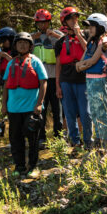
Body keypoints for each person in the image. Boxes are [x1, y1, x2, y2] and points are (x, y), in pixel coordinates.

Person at [3, 32, 48, 177]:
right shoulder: (10, 63)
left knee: (33, 139)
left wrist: (39, 104)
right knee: (15, 139)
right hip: (13, 108)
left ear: (30, 46)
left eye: (25, 42)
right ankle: (19, 166)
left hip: (31, 108)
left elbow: (43, 82)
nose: (22, 45)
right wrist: (3, 105)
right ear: (15, 45)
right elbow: (5, 86)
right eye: (19, 42)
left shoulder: (35, 61)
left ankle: (33, 166)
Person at [54, 6, 92, 150]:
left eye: (76, 17)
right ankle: (75, 142)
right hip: (66, 80)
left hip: (83, 78)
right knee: (69, 113)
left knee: (85, 113)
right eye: (70, 18)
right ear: (64, 21)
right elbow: (58, 65)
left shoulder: (87, 34)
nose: (74, 20)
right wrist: (58, 85)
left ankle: (88, 141)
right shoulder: (59, 42)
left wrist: (78, 34)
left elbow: (90, 50)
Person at [76, 13, 107, 151]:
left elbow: (93, 60)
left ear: (101, 27)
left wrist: (82, 65)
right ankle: (98, 138)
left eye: (92, 26)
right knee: (94, 111)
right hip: (90, 80)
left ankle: (105, 140)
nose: (90, 29)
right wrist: (82, 65)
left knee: (101, 110)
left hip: (100, 79)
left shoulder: (103, 41)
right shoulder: (92, 41)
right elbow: (82, 59)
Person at [32, 9, 64, 146]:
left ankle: (59, 137)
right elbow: (19, 43)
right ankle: (41, 137)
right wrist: (33, 37)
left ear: (49, 22)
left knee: (57, 109)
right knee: (41, 109)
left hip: (54, 76)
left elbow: (67, 40)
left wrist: (55, 35)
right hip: (39, 79)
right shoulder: (33, 37)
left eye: (44, 23)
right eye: (39, 23)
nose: (42, 26)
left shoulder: (57, 34)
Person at [0, 26, 17, 141]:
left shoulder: (16, 50)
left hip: (16, 84)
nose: (3, 44)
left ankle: (18, 137)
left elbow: (16, 63)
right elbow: (0, 71)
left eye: (5, 41)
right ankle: (12, 138)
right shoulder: (3, 52)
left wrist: (6, 56)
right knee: (7, 110)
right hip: (6, 82)